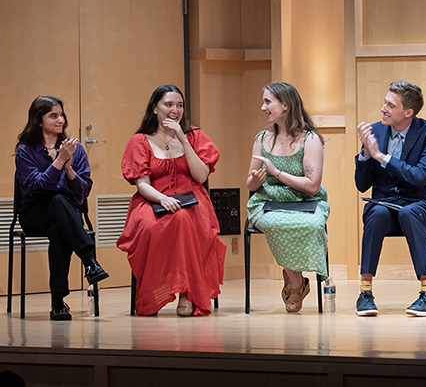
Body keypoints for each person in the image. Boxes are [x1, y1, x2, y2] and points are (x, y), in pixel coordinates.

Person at [117, 85, 226, 317]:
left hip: (192, 199)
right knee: (148, 226)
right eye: (168, 105)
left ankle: (187, 293)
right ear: (155, 108)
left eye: (180, 105)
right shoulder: (140, 140)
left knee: (184, 219)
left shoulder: (195, 136)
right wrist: (163, 198)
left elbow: (201, 176)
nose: (175, 110)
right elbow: (142, 184)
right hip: (153, 198)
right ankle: (153, 294)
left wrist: (183, 140)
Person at [14, 96, 109, 321]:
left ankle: (58, 303)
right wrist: (58, 163)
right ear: (39, 120)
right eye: (53, 116)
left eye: (62, 115)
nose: (61, 120)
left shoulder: (74, 150)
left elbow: (83, 192)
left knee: (59, 227)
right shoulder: (25, 150)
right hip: (34, 212)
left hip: (66, 213)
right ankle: (90, 262)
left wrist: (68, 168)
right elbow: (35, 186)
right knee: (56, 201)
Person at [354, 80, 426, 317]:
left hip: (421, 203)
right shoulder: (375, 131)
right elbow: (362, 186)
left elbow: (419, 177)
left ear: (408, 112)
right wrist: (365, 154)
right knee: (377, 213)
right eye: (384, 102)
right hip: (385, 204)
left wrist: (381, 156)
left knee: (409, 212)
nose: (383, 108)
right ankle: (365, 293)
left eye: (390, 105)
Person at [245, 82, 329, 313]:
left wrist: (277, 173)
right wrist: (257, 179)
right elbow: (250, 184)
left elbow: (312, 186)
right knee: (275, 223)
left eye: (267, 102)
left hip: (304, 201)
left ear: (285, 105)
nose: (263, 107)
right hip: (268, 201)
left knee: (312, 224)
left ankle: (295, 277)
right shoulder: (262, 139)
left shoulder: (310, 139)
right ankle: (296, 282)